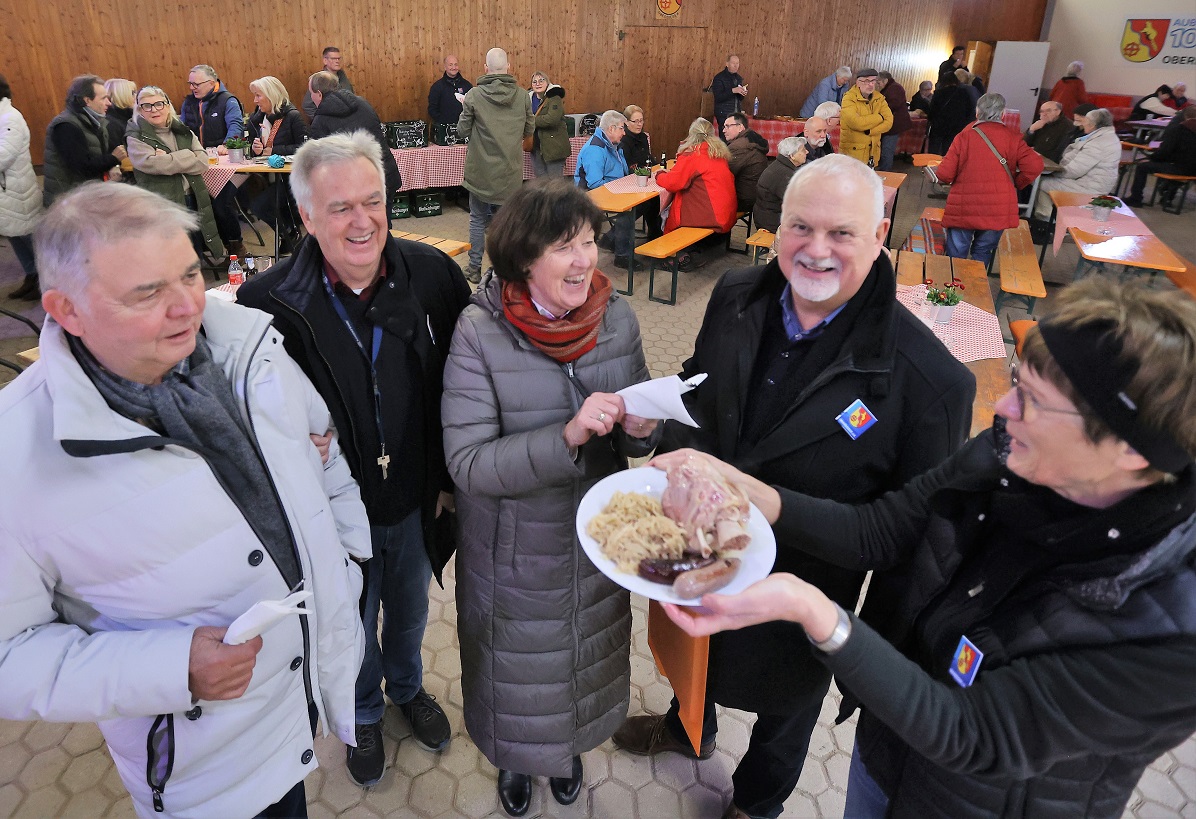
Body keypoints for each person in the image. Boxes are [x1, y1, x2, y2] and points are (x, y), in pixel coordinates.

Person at [660, 276, 1196, 819]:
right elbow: (881, 529)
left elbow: (973, 734)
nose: (1004, 407)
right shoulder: (1003, 456)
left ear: (1129, 449)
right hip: (891, 748)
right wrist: (741, 486)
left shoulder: (1172, 629)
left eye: (1033, 401)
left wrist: (814, 610)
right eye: (1017, 380)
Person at [612, 154, 975, 819]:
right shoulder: (734, 295)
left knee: (786, 714)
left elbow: (906, 545)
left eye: (841, 233)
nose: (815, 249)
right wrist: (651, 424)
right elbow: (700, 392)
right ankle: (689, 729)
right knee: (695, 660)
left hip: (807, 587)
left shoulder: (931, 382)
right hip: (701, 551)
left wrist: (873, 665)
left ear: (880, 230)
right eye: (799, 227)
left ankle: (756, 803)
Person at [0, 182, 370, 817]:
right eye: (147, 293)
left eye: (191, 274)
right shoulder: (17, 457)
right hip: (207, 760)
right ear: (66, 310)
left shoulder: (251, 346)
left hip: (302, 691)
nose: (187, 308)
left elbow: (324, 446)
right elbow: (10, 659)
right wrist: (172, 668)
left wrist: (350, 563)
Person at [237, 131, 471, 788]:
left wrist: (453, 481)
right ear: (307, 216)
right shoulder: (266, 305)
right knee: (351, 620)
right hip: (333, 517)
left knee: (413, 607)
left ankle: (407, 687)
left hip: (418, 497)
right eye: (340, 207)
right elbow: (243, 421)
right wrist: (283, 442)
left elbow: (467, 381)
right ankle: (363, 708)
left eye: (373, 200)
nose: (362, 220)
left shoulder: (434, 276)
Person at [441, 177, 661, 817]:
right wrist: (565, 434)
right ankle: (515, 759)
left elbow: (642, 427)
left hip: (598, 536)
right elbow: (469, 462)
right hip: (515, 544)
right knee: (516, 668)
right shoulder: (480, 331)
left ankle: (565, 752)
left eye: (589, 242)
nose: (584, 260)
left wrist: (646, 426)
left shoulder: (615, 316)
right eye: (564, 247)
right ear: (523, 259)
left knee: (582, 658)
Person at [934, 94, 1043, 267]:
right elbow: (1035, 165)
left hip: (965, 204)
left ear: (977, 112)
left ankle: (952, 289)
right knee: (983, 251)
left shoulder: (964, 136)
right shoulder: (1013, 138)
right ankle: (976, 290)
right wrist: (1016, 183)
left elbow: (945, 174)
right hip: (998, 206)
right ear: (1003, 114)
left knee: (956, 252)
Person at [457, 47, 535, 284]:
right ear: (508, 67)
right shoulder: (523, 96)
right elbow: (529, 130)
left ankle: (473, 267)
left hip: (480, 172)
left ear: (485, 69)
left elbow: (461, 131)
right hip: (510, 172)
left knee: (478, 219)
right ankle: (506, 271)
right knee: (508, 224)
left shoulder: (473, 95)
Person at [125, 85, 225, 261]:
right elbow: (151, 164)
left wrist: (170, 158)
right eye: (146, 106)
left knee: (195, 248)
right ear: (139, 109)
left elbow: (202, 161)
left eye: (158, 104)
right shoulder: (136, 136)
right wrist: (188, 156)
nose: (154, 110)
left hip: (193, 195)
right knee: (173, 251)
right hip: (163, 200)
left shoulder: (182, 130)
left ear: (167, 105)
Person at [308, 71, 403, 214]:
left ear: (319, 94)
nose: (311, 97)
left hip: (355, 187)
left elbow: (321, 162)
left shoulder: (320, 121)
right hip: (384, 174)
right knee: (383, 225)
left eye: (311, 93)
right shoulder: (363, 103)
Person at [179, 64, 245, 258]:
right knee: (200, 203)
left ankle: (236, 246)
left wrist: (228, 144)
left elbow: (236, 125)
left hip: (230, 166)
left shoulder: (228, 101)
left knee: (221, 204)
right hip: (200, 164)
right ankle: (214, 248)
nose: (192, 87)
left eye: (196, 84)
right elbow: (182, 129)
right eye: (190, 83)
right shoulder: (188, 103)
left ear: (211, 83)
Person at [42, 74, 126, 209]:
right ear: (87, 100)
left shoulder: (96, 121)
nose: (109, 103)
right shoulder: (66, 126)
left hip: (85, 195)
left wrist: (111, 166)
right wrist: (113, 159)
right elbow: (81, 166)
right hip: (68, 202)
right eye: (104, 98)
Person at [245, 76, 308, 250]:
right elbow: (251, 147)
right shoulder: (256, 119)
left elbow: (303, 147)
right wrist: (254, 148)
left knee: (263, 205)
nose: (255, 100)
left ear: (271, 95)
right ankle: (288, 232)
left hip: (292, 178)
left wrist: (274, 150)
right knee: (256, 204)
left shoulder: (293, 116)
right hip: (267, 176)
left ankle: (290, 233)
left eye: (258, 96)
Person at [654, 117, 737, 241]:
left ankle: (666, 248)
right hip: (726, 213)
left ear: (691, 135)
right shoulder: (718, 153)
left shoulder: (693, 155)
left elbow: (673, 183)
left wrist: (659, 174)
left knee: (664, 211)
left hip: (710, 216)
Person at [0, 74, 43, 301]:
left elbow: (4, 156)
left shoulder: (10, 117)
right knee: (14, 234)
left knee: (28, 236)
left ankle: (45, 279)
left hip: (17, 189)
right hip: (6, 190)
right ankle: (31, 275)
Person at [1035, 108, 1121, 218]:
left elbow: (1073, 171)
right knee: (1044, 181)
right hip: (1095, 184)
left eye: (1085, 121)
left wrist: (1053, 172)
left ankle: (1044, 220)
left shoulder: (1097, 144)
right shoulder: (1109, 137)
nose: (1083, 124)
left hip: (1089, 188)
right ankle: (1047, 218)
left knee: (1041, 182)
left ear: (1092, 125)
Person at [575, 110, 634, 268]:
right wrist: (621, 188)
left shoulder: (613, 144)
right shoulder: (595, 149)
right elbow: (595, 183)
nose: (624, 132)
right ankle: (622, 256)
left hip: (611, 189)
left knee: (643, 204)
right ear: (611, 129)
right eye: (622, 128)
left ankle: (610, 238)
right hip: (590, 194)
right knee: (627, 212)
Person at [1124, 105, 1196, 208]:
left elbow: (1165, 151)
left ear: (1184, 116)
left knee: (1142, 167)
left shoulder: (1179, 129)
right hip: (1193, 170)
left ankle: (1136, 198)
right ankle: (1167, 197)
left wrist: (1151, 158)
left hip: (1180, 168)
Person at [620, 105, 663, 241]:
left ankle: (654, 233)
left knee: (657, 197)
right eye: (636, 121)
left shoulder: (644, 137)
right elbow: (628, 166)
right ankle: (613, 235)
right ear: (626, 122)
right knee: (647, 202)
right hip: (628, 180)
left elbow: (647, 157)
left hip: (643, 177)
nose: (639, 124)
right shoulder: (624, 140)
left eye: (641, 120)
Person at [839, 68, 893, 167]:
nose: (871, 84)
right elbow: (856, 122)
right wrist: (879, 117)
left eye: (873, 81)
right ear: (858, 82)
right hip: (853, 154)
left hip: (872, 153)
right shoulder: (848, 98)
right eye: (867, 81)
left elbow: (889, 122)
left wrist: (870, 131)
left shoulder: (879, 98)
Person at [752, 136, 806, 233]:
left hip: (767, 217)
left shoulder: (781, 165)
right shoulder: (783, 174)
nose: (807, 152)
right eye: (802, 150)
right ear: (792, 155)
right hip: (772, 223)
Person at [723, 112, 768, 211]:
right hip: (755, 194)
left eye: (727, 126)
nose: (723, 130)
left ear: (740, 127)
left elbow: (724, 173)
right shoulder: (753, 139)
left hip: (744, 199)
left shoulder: (738, 147)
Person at [529, 72, 569, 177]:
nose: (538, 83)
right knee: (541, 183)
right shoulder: (528, 99)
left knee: (555, 185)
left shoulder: (555, 97)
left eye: (541, 80)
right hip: (535, 147)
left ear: (547, 82)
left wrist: (531, 121)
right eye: (534, 81)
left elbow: (552, 119)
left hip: (554, 147)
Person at [928, 70, 973, 155]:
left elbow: (932, 112)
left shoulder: (939, 93)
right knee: (949, 151)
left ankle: (931, 166)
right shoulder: (964, 93)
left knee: (934, 150)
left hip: (939, 127)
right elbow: (968, 111)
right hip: (956, 128)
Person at [303, 46, 354, 120]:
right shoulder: (319, 80)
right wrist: (322, 120)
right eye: (333, 58)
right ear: (325, 61)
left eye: (339, 58)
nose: (337, 61)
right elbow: (307, 105)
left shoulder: (344, 79)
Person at [877, 71, 911, 170]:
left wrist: (879, 110)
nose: (878, 85)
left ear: (885, 80)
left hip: (893, 125)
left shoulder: (894, 88)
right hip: (892, 123)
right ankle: (884, 169)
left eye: (879, 82)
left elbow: (892, 105)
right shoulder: (892, 87)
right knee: (886, 149)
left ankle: (885, 172)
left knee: (887, 149)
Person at [428, 54, 472, 126]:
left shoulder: (467, 86)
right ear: (445, 67)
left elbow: (472, 106)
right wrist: (443, 121)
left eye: (456, 64)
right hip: (444, 129)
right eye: (450, 65)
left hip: (464, 127)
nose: (454, 67)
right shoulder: (437, 87)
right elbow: (432, 109)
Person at [712, 54, 748, 138]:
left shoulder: (738, 78)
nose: (736, 66)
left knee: (736, 138)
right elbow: (718, 97)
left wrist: (742, 93)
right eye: (733, 63)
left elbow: (739, 99)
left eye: (737, 63)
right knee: (725, 138)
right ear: (727, 64)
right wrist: (733, 90)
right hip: (723, 114)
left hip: (736, 114)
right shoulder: (719, 78)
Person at [103, 78, 136, 154]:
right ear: (120, 96)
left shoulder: (129, 118)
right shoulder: (111, 124)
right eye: (132, 93)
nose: (136, 97)